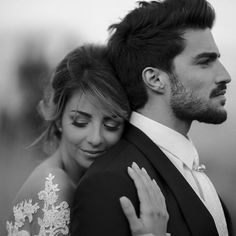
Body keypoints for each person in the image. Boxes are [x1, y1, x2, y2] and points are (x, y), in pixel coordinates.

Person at [70, 0, 233, 236]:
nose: (225, 75)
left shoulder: (189, 165)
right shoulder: (110, 183)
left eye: (217, 59)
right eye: (205, 62)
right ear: (155, 79)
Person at [5, 44, 168, 236]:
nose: (96, 138)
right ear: (58, 119)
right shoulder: (54, 188)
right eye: (80, 122)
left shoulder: (92, 181)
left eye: (111, 125)